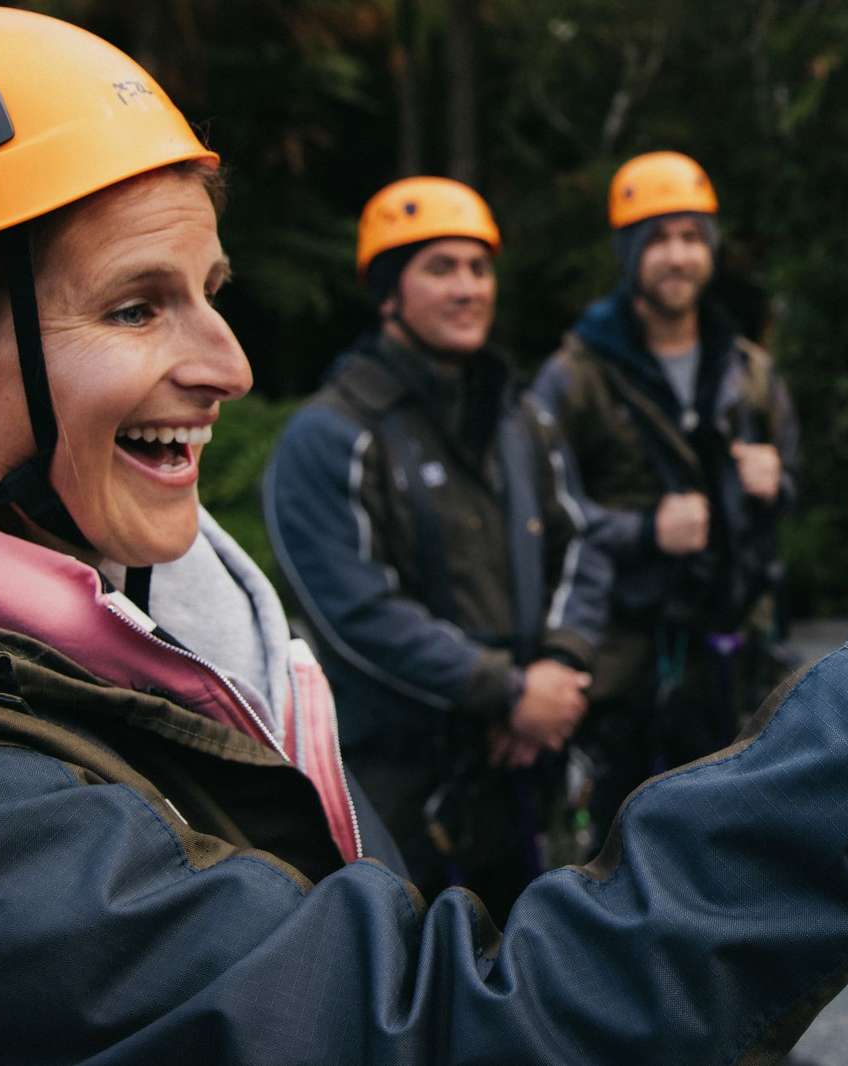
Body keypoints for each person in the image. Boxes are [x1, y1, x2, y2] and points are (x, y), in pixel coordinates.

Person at [0, 7, 848, 1061]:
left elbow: (568, 539)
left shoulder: (157, 609)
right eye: (138, 305)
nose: (231, 360)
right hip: (439, 741)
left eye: (211, 288)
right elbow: (442, 1022)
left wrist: (572, 656)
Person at [264, 177, 608, 913]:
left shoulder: (522, 420)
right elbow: (353, 613)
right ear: (389, 293)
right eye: (441, 268)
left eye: (479, 268)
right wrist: (509, 694)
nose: (468, 288)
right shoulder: (328, 437)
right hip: (396, 793)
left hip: (521, 773)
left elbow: (584, 547)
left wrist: (559, 666)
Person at [533, 151, 802, 851]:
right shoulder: (575, 377)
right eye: (656, 239)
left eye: (690, 236)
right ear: (628, 254)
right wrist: (647, 529)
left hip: (732, 653)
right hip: (624, 665)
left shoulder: (748, 371)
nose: (676, 256)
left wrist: (776, 484)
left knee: (734, 844)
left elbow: (791, 492)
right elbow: (535, 517)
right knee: (625, 849)